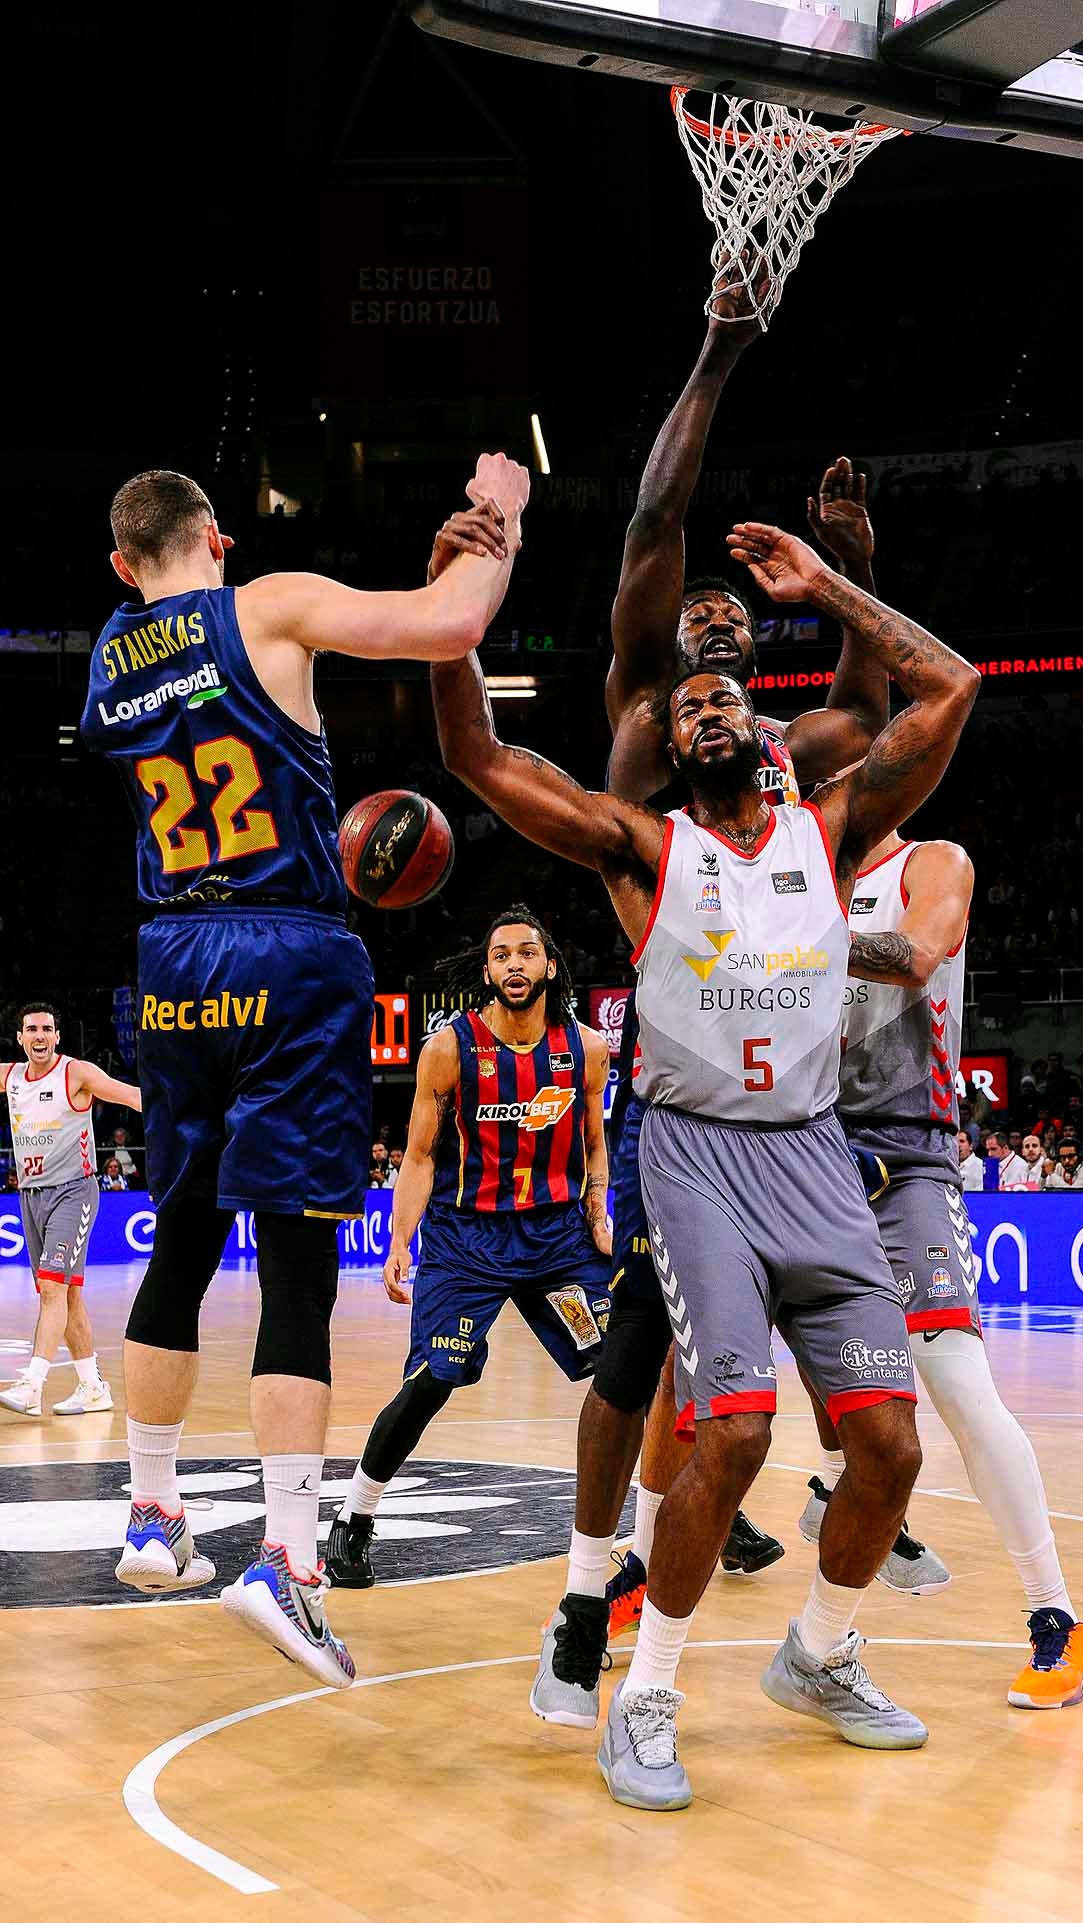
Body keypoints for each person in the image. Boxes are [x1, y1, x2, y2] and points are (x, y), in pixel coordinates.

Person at [431, 509, 979, 1809]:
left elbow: (951, 685)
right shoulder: (643, 846)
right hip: (692, 1157)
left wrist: (837, 585)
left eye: (735, 696)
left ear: (770, 736)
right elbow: (474, 750)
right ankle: (648, 1695)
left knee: (889, 1446)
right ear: (669, 747)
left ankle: (822, 1653)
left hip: (811, 1155)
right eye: (691, 706)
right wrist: (453, 622)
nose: (713, 708)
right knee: (731, 1426)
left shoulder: (827, 829)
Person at [78, 454, 528, 1688]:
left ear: (124, 566)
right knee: (292, 1257)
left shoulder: (107, 659)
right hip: (290, 941)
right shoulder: (263, 604)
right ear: (217, 539)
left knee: (177, 1236)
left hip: (170, 953)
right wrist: (500, 520)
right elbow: (452, 625)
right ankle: (286, 1558)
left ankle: (156, 1520)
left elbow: (151, 634)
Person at [562, 303, 894, 1654]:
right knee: (638, 1352)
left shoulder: (785, 751)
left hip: (777, 1097)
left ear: (753, 651)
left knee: (713, 1395)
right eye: (691, 614)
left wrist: (856, 567)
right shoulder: (648, 713)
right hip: (672, 1092)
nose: (710, 627)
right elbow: (653, 530)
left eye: (727, 622)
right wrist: (714, 353)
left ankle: (668, 1563)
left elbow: (876, 709)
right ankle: (589, 1591)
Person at [810, 829, 1083, 1708]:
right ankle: (615, 1591)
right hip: (806, 1152)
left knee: (960, 1387)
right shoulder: (793, 867)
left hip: (905, 1154)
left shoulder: (932, 860)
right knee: (718, 1374)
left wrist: (784, 933)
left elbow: (920, 950)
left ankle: (1058, 1619)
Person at [325, 909, 613, 1587]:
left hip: (557, 1239)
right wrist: (400, 1240)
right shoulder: (448, 1048)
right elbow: (420, 1157)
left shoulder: (587, 1048)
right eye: (501, 954)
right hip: (467, 1240)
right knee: (432, 1379)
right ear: (487, 970)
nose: (514, 964)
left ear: (549, 965)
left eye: (527, 952)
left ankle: (691, 1511)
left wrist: (598, 1209)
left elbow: (594, 1145)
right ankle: (354, 1518)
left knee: (626, 1371)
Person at [0, 1003, 141, 1418]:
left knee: (52, 1290)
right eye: (31, 1030)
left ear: (58, 1036)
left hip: (73, 1192)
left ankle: (32, 1384)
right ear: (21, 1037)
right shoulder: (11, 1077)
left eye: (47, 1029)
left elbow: (133, 1097)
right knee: (67, 1294)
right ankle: (92, 1387)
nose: (39, 1036)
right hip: (30, 1196)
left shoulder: (76, 1073)